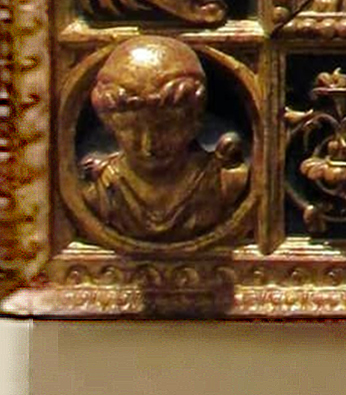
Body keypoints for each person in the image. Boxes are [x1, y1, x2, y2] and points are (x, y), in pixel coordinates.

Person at [79, 37, 248, 243]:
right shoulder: (99, 191)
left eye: (166, 128)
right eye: (131, 130)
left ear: (194, 123)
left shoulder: (225, 182)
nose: (149, 145)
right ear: (109, 126)